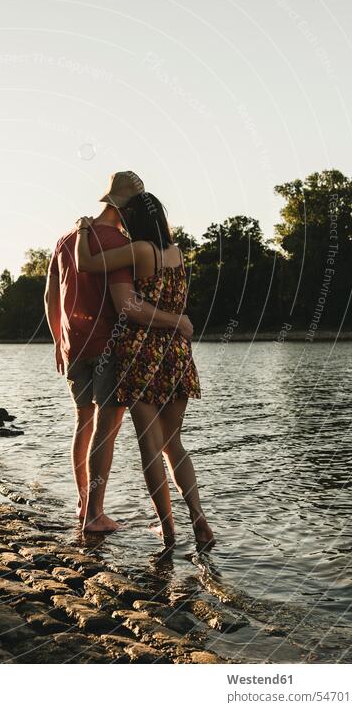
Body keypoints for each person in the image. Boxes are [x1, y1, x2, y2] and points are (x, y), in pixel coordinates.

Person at [45, 172, 194, 533]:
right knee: (108, 430)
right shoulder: (120, 243)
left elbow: (51, 295)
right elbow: (128, 303)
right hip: (112, 345)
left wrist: (57, 341)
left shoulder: (67, 238)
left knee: (84, 423)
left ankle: (84, 503)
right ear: (129, 207)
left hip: (72, 344)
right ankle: (95, 513)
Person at [74, 191, 215, 547]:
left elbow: (88, 264)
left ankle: (168, 531)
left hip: (143, 352)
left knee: (150, 446)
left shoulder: (139, 251)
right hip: (177, 353)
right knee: (174, 444)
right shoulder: (178, 252)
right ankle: (199, 518)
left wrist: (82, 230)